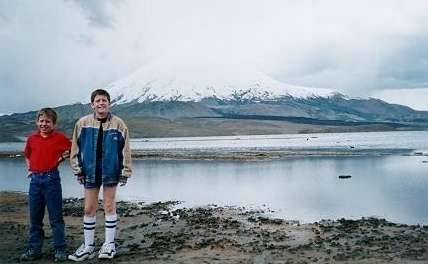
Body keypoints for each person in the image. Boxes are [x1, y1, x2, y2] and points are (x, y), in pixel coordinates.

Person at [68, 89, 132, 261]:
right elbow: (75, 149)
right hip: (89, 171)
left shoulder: (119, 124)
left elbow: (125, 149)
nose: (101, 103)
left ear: (109, 103)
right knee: (89, 208)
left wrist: (125, 171)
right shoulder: (82, 123)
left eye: (104, 100)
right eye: (98, 100)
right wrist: (77, 169)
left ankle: (109, 245)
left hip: (111, 171)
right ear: (92, 104)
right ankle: (88, 246)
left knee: (110, 206)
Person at [20, 108, 71, 262]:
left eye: (47, 121)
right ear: (37, 122)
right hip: (35, 181)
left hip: (52, 180)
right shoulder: (32, 139)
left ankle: (60, 249)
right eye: (41, 121)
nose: (44, 124)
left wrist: (61, 158)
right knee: (35, 218)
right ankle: (34, 249)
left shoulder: (59, 138)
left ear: (53, 124)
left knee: (56, 217)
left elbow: (73, 149)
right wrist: (29, 169)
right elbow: (27, 155)